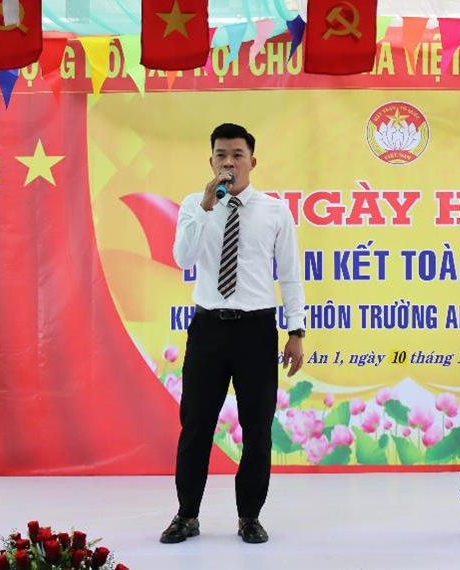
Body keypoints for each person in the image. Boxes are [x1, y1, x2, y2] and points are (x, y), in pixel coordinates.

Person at [161, 123, 306, 545]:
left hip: (255, 330)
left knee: (257, 429)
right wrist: (207, 208)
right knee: (196, 426)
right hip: (208, 328)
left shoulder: (275, 211)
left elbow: (290, 276)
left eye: (237, 155)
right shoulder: (195, 205)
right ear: (211, 161)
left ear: (252, 162)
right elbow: (183, 258)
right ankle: (187, 515)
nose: (229, 162)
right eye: (221, 155)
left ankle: (249, 517)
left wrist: (296, 331)